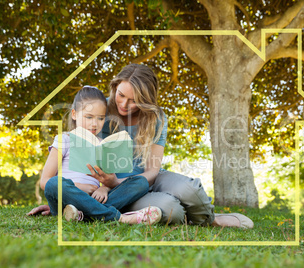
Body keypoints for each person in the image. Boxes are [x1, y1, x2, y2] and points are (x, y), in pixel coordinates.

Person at [86, 64, 254, 229]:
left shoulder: (155, 117)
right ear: (115, 87)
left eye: (134, 101)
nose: (123, 104)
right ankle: (181, 216)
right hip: (118, 191)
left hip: (149, 179)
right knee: (170, 209)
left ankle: (210, 220)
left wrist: (118, 181)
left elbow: (152, 171)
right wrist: (110, 185)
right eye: (121, 95)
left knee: (189, 189)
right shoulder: (100, 110)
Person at [27, 86, 162, 225]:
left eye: (100, 118)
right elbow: (45, 181)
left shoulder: (103, 145)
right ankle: (119, 218)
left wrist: (104, 188)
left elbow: (108, 179)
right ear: (74, 114)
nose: (94, 123)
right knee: (54, 184)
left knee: (140, 182)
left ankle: (81, 215)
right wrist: (80, 187)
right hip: (65, 198)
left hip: (94, 198)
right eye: (89, 117)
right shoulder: (64, 139)